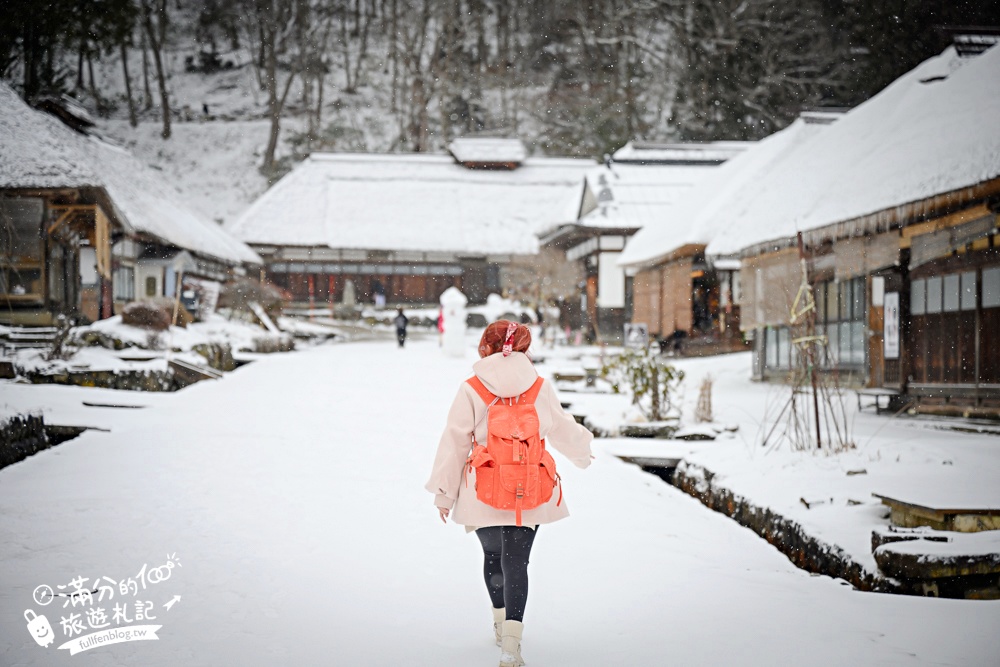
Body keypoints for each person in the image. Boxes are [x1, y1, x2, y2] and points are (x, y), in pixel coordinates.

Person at [426, 320, 593, 667]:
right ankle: (511, 647)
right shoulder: (538, 387)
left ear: (485, 347)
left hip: (482, 488)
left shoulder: (472, 388)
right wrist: (582, 453)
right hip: (529, 487)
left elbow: (455, 441)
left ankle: (500, 625)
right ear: (524, 349)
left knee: (493, 558)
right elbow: (561, 427)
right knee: (517, 560)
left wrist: (444, 492)